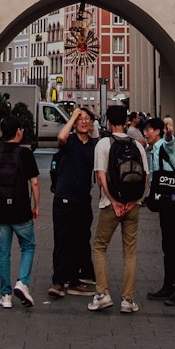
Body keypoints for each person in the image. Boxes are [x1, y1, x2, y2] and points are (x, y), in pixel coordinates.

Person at [89, 103, 148, 314]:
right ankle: (128, 299)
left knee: (99, 247)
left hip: (110, 205)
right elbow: (145, 177)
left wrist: (114, 200)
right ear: (125, 121)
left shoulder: (103, 144)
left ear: (108, 122)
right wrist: (132, 201)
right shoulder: (138, 145)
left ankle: (102, 294)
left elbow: (101, 175)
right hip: (133, 205)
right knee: (130, 252)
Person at [0, 115, 40, 308]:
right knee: (28, 247)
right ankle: (22, 282)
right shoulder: (25, 154)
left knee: (3, 252)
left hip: (0, 208)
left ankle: (6, 295)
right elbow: (34, 182)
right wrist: (36, 205)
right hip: (20, 209)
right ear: (18, 132)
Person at [48, 105, 96, 298]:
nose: (83, 121)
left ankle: (74, 280)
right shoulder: (70, 141)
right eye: (79, 118)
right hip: (64, 197)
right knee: (62, 240)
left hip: (83, 199)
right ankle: (58, 282)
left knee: (79, 241)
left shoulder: (95, 145)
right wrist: (73, 115)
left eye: (86, 118)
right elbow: (61, 137)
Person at [144, 116, 175, 306]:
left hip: (174, 202)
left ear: (158, 131)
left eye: (149, 130)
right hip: (165, 203)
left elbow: (171, 144)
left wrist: (169, 136)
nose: (146, 134)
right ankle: (168, 285)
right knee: (167, 245)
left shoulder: (164, 145)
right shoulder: (154, 149)